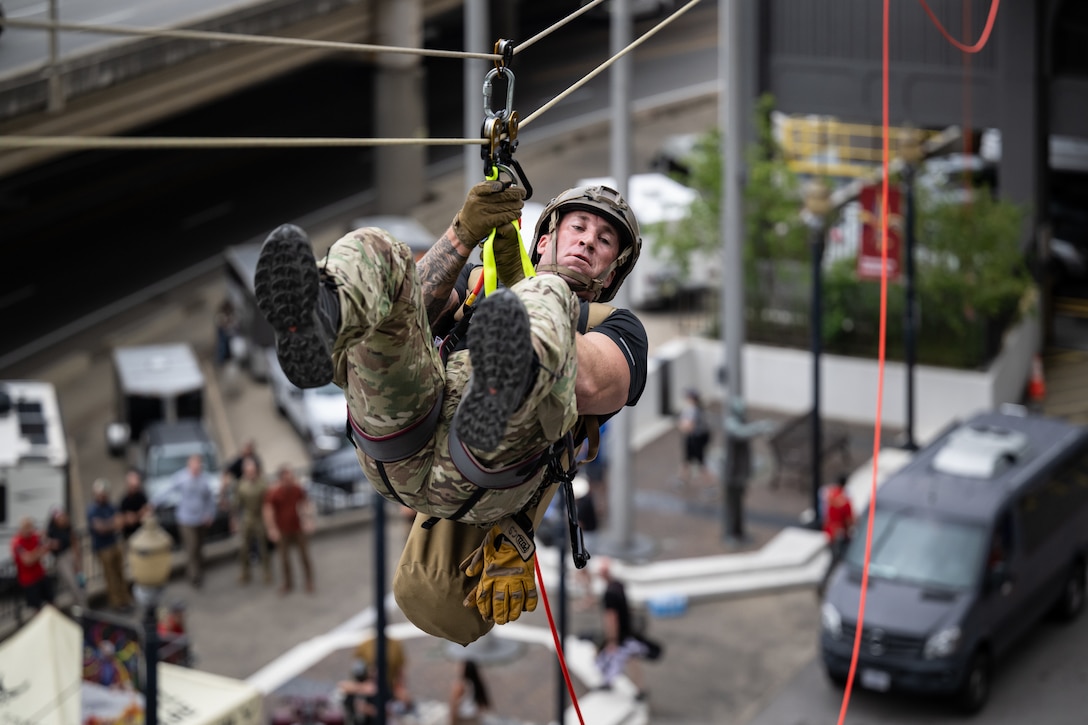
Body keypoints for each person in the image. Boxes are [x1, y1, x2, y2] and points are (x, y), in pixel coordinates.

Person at [253, 179, 648, 646]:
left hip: (484, 474)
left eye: (604, 241)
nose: (587, 240)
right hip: (403, 432)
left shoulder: (620, 329)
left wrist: (535, 300)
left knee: (551, 297)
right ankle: (324, 316)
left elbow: (595, 383)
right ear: (544, 238)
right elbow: (405, 315)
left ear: (610, 273)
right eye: (578, 227)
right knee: (382, 249)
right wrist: (463, 234)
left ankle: (504, 390)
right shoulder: (481, 278)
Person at [595, 557, 658, 701]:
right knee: (631, 659)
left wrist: (612, 640)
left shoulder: (609, 594)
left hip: (619, 635)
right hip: (628, 632)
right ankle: (639, 689)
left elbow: (611, 618)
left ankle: (608, 683)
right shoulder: (619, 585)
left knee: (607, 658)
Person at [153, 454, 217, 588]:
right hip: (186, 520)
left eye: (198, 465)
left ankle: (197, 569)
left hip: (200, 520)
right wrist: (155, 502)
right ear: (189, 465)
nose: (196, 468)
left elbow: (209, 499)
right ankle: (194, 576)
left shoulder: (204, 480)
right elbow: (168, 489)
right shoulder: (181, 478)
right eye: (194, 465)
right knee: (191, 547)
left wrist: (209, 514)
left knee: (199, 547)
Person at [263, 465, 315, 595]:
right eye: (287, 478)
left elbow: (305, 503)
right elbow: (268, 510)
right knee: (284, 559)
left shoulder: (297, 489)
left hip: (297, 528)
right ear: (281, 479)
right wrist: (272, 529)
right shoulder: (274, 492)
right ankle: (288, 583)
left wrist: (307, 520)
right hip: (282, 530)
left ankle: (309, 581)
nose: (290, 480)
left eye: (291, 477)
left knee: (304, 556)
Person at [87, 478, 133, 611]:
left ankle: (126, 599)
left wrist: (110, 524)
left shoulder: (110, 506)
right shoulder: (92, 510)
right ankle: (117, 603)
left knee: (121, 574)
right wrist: (113, 523)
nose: (103, 496)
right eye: (100, 494)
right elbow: (100, 528)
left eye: (105, 494)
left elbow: (120, 522)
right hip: (102, 548)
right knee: (111, 577)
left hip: (114, 544)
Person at [227, 455, 273, 585]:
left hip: (260, 517)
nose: (250, 471)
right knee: (244, 548)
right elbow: (236, 504)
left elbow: (268, 502)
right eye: (247, 468)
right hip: (247, 518)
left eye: (251, 468)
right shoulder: (241, 484)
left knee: (263, 547)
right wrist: (234, 520)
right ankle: (245, 572)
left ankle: (267, 571)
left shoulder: (262, 483)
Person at [818, 474, 855, 597]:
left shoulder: (829, 495)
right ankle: (827, 586)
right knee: (838, 562)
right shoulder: (845, 501)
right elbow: (850, 521)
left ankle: (824, 584)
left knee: (833, 561)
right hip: (840, 536)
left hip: (830, 532)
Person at [45, 507, 87, 609]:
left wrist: (77, 559)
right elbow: (46, 545)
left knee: (80, 583)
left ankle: (83, 607)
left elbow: (74, 542)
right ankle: (80, 607)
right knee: (72, 584)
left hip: (70, 554)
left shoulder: (67, 527)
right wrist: (52, 545)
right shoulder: (51, 531)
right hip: (61, 559)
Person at [10, 516, 53, 613]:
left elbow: (46, 548)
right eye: (27, 528)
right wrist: (38, 553)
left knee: (51, 601)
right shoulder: (17, 542)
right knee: (36, 608)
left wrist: (35, 553)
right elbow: (27, 561)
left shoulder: (34, 537)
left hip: (40, 575)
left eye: (31, 527)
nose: (30, 530)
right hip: (29, 580)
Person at [675, 388, 712, 490]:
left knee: (700, 463)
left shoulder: (692, 410)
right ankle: (682, 480)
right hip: (696, 439)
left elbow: (688, 426)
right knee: (686, 461)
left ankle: (710, 486)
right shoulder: (699, 409)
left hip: (695, 439)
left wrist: (680, 425)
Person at [448, 659, 490, 725]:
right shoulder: (476, 683)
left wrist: (452, 722)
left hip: (463, 718)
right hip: (474, 717)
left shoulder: (459, 685)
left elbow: (454, 706)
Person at [118, 467, 151, 542]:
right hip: (130, 536)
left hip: (143, 535)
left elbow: (147, 512)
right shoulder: (124, 500)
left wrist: (136, 516)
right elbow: (121, 520)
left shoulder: (142, 497)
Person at [213, 298, 238, 368]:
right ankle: (221, 361)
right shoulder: (221, 315)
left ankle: (228, 359)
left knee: (229, 347)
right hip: (223, 335)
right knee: (222, 347)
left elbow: (234, 324)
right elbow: (220, 323)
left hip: (229, 335)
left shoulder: (231, 314)